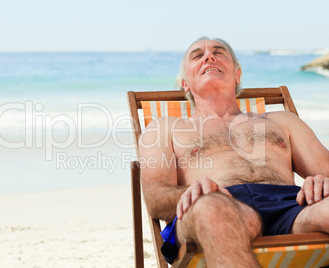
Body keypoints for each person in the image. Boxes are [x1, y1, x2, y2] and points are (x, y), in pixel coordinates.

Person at [138, 37, 329, 267]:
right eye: (198, 55)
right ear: (185, 83)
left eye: (219, 52)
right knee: (213, 211)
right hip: (215, 204)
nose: (209, 56)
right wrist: (192, 193)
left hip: (293, 208)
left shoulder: (282, 121)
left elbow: (326, 170)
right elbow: (155, 197)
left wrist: (321, 182)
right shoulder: (165, 128)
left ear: (237, 75)